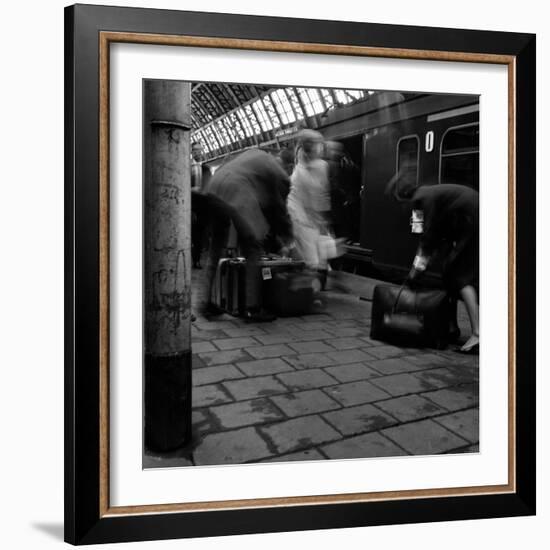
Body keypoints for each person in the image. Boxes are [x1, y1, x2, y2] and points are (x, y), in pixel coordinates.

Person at [198, 148, 293, 322]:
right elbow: (277, 209)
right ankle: (252, 308)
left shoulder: (254, 154)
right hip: (236, 191)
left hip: (214, 187)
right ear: (289, 165)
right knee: (253, 249)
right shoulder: (281, 175)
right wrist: (287, 237)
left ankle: (205, 303)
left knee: (215, 247)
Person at [388, 174, 479, 353]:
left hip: (472, 219)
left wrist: (415, 272)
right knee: (448, 274)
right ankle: (451, 329)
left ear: (403, 195)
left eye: (399, 202)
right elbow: (421, 234)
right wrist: (419, 268)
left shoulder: (422, 199)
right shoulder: (422, 199)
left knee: (459, 277)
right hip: (467, 221)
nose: (402, 207)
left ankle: (478, 334)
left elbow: (427, 240)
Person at [287, 130, 332, 290]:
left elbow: (319, 195)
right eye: (318, 145)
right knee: (313, 258)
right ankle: (307, 292)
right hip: (301, 216)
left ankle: (309, 291)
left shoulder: (314, 166)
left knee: (315, 256)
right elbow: (313, 197)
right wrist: (320, 220)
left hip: (304, 217)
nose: (321, 148)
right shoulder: (306, 170)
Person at [190, 142, 212, 269]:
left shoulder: (206, 168)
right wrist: (194, 189)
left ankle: (197, 258)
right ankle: (195, 259)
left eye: (200, 150)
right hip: (193, 204)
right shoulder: (188, 166)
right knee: (195, 234)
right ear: (192, 152)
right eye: (196, 150)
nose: (198, 152)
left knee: (202, 233)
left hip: (204, 206)